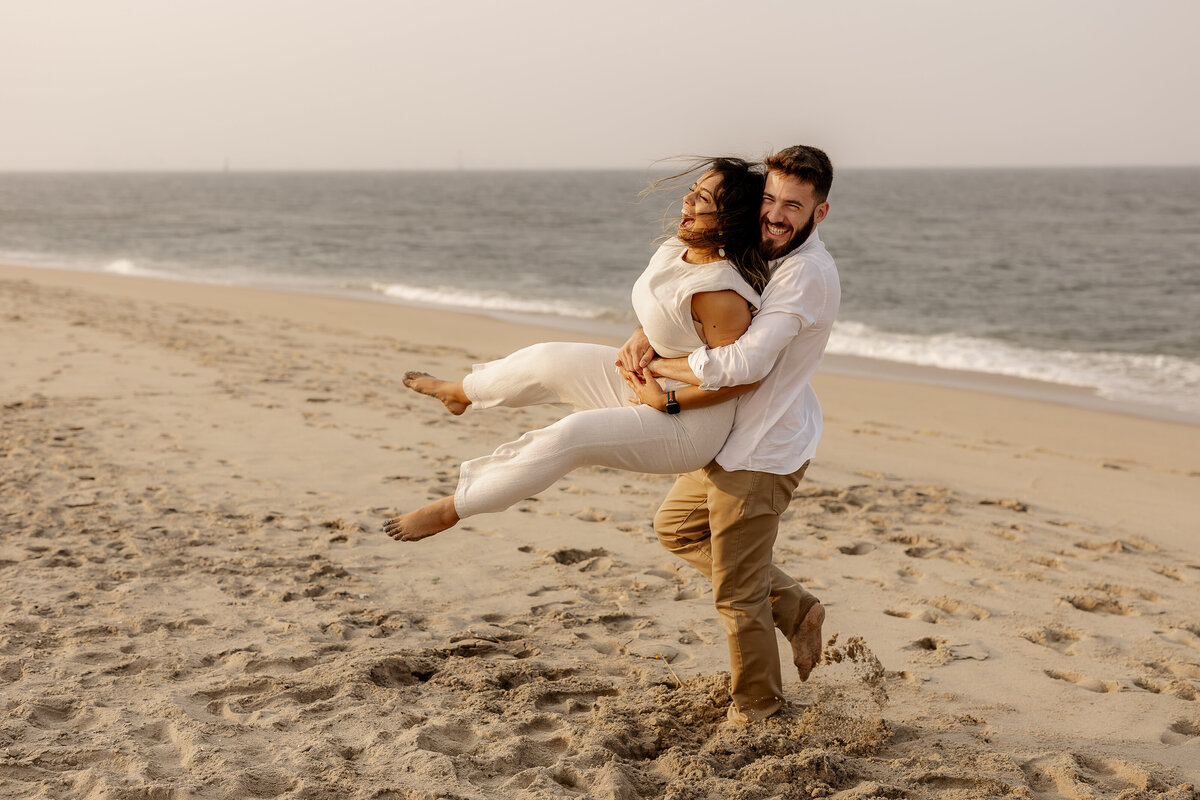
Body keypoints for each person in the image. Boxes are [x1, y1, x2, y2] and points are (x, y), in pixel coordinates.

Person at [382, 158, 770, 543]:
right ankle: (461, 393)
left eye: (702, 198)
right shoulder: (674, 249)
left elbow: (740, 378)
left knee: (571, 436)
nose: (686, 201)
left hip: (686, 425)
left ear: (728, 220)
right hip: (647, 381)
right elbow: (672, 312)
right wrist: (642, 334)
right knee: (547, 358)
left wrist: (667, 401)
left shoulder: (720, 293)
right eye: (692, 190)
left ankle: (454, 507)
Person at [620, 145, 840, 724]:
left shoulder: (805, 275)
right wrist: (648, 335)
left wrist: (663, 378)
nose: (775, 214)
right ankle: (796, 608)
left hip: (762, 449)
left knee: (737, 595)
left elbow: (743, 364)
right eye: (769, 198)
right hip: (727, 434)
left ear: (819, 214)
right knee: (677, 527)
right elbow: (698, 308)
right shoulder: (757, 253)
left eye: (793, 206)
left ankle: (759, 710)